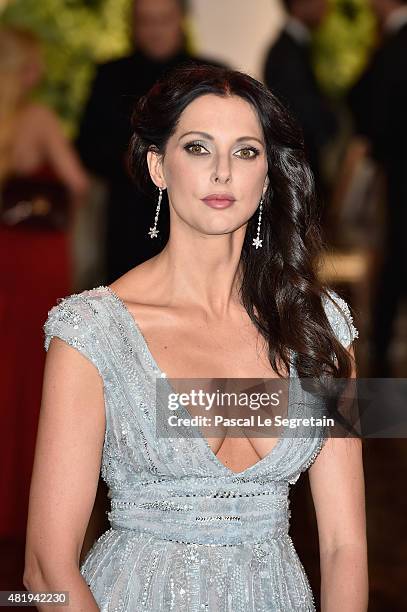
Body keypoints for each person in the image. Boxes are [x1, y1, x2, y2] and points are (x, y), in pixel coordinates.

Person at [24, 65, 368, 611]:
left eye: (246, 152)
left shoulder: (318, 325)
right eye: (199, 148)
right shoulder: (93, 333)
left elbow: (344, 547)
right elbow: (44, 572)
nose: (223, 173)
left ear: (269, 174)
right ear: (159, 166)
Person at [0, 27, 89, 542]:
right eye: (32, 64)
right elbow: (76, 182)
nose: (40, 73)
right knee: (35, 372)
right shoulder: (38, 119)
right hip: (36, 257)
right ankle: (30, 509)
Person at [76, 0, 225, 284]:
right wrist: (128, 160)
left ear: (181, 19)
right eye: (146, 21)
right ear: (132, 24)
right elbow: (88, 145)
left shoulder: (211, 77)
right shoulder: (110, 76)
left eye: (163, 20)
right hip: (129, 217)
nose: (155, 30)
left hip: (197, 216)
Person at [347, 0, 407, 376]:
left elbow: (367, 104)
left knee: (396, 256)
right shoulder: (389, 42)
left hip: (400, 170)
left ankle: (382, 352)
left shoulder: (394, 46)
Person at [263, 0, 338, 203]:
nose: (326, 6)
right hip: (302, 166)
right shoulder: (287, 52)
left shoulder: (294, 46)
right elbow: (299, 112)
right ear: (299, 5)